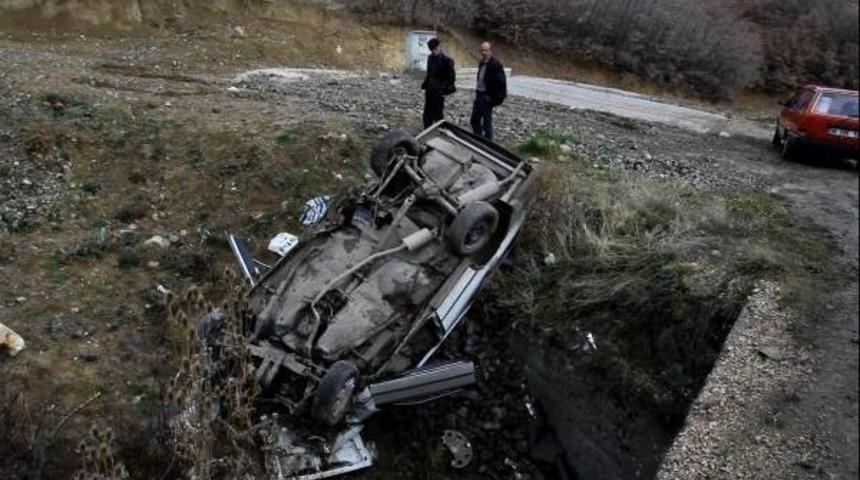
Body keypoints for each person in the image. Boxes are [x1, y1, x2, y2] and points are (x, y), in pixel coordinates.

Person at [470, 42, 507, 140]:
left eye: (486, 50)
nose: (484, 53)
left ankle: (488, 143)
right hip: (479, 94)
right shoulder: (481, 63)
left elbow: (502, 84)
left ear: (490, 51)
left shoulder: (495, 64)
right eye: (482, 50)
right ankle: (478, 139)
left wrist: (494, 99)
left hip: (487, 97)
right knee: (474, 120)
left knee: (487, 122)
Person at [421, 37, 456, 129]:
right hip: (430, 89)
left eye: (435, 49)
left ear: (439, 47)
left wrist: (444, 90)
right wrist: (424, 84)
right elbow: (429, 73)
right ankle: (427, 130)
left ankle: (440, 130)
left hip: (439, 90)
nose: (434, 51)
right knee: (427, 112)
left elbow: (451, 78)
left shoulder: (447, 60)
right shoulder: (430, 58)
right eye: (432, 50)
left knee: (438, 113)